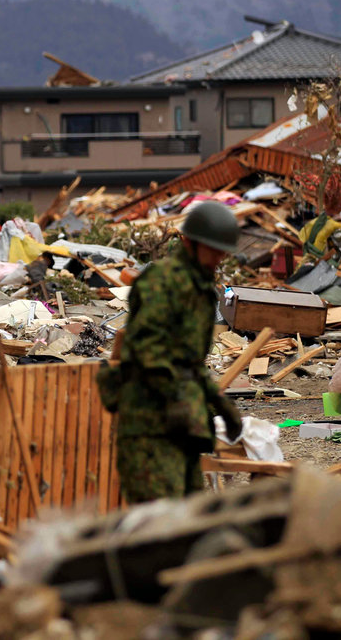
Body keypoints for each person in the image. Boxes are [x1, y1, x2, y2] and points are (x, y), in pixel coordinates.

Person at [97, 201, 243, 503]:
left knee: (189, 513)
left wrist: (218, 402)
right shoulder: (163, 282)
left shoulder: (201, 288)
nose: (219, 257)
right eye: (213, 249)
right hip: (150, 423)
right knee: (157, 520)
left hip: (180, 423)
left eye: (222, 251)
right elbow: (148, 353)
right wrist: (182, 400)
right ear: (190, 243)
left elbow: (188, 360)